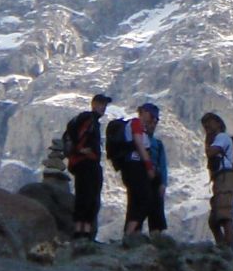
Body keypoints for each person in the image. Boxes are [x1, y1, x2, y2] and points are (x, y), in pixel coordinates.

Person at [62, 93, 111, 240]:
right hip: (85, 162)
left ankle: (85, 232)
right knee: (86, 196)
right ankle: (81, 232)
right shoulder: (88, 118)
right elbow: (77, 137)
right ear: (94, 104)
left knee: (90, 196)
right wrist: (80, 150)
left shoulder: (93, 121)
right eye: (101, 104)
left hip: (88, 163)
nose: (104, 107)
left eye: (105, 105)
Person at [118, 101, 163, 244]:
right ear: (143, 112)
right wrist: (149, 166)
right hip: (135, 167)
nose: (153, 119)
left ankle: (132, 233)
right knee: (144, 199)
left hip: (132, 167)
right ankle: (129, 234)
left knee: (136, 200)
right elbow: (139, 144)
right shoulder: (136, 123)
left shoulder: (140, 127)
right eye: (151, 115)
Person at [201, 111, 233, 251]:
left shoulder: (222, 137)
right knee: (214, 219)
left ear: (218, 123)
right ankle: (223, 247)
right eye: (205, 125)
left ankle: (229, 250)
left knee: (224, 216)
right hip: (220, 178)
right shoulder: (217, 139)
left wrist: (207, 141)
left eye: (209, 123)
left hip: (225, 177)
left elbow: (211, 152)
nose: (207, 126)